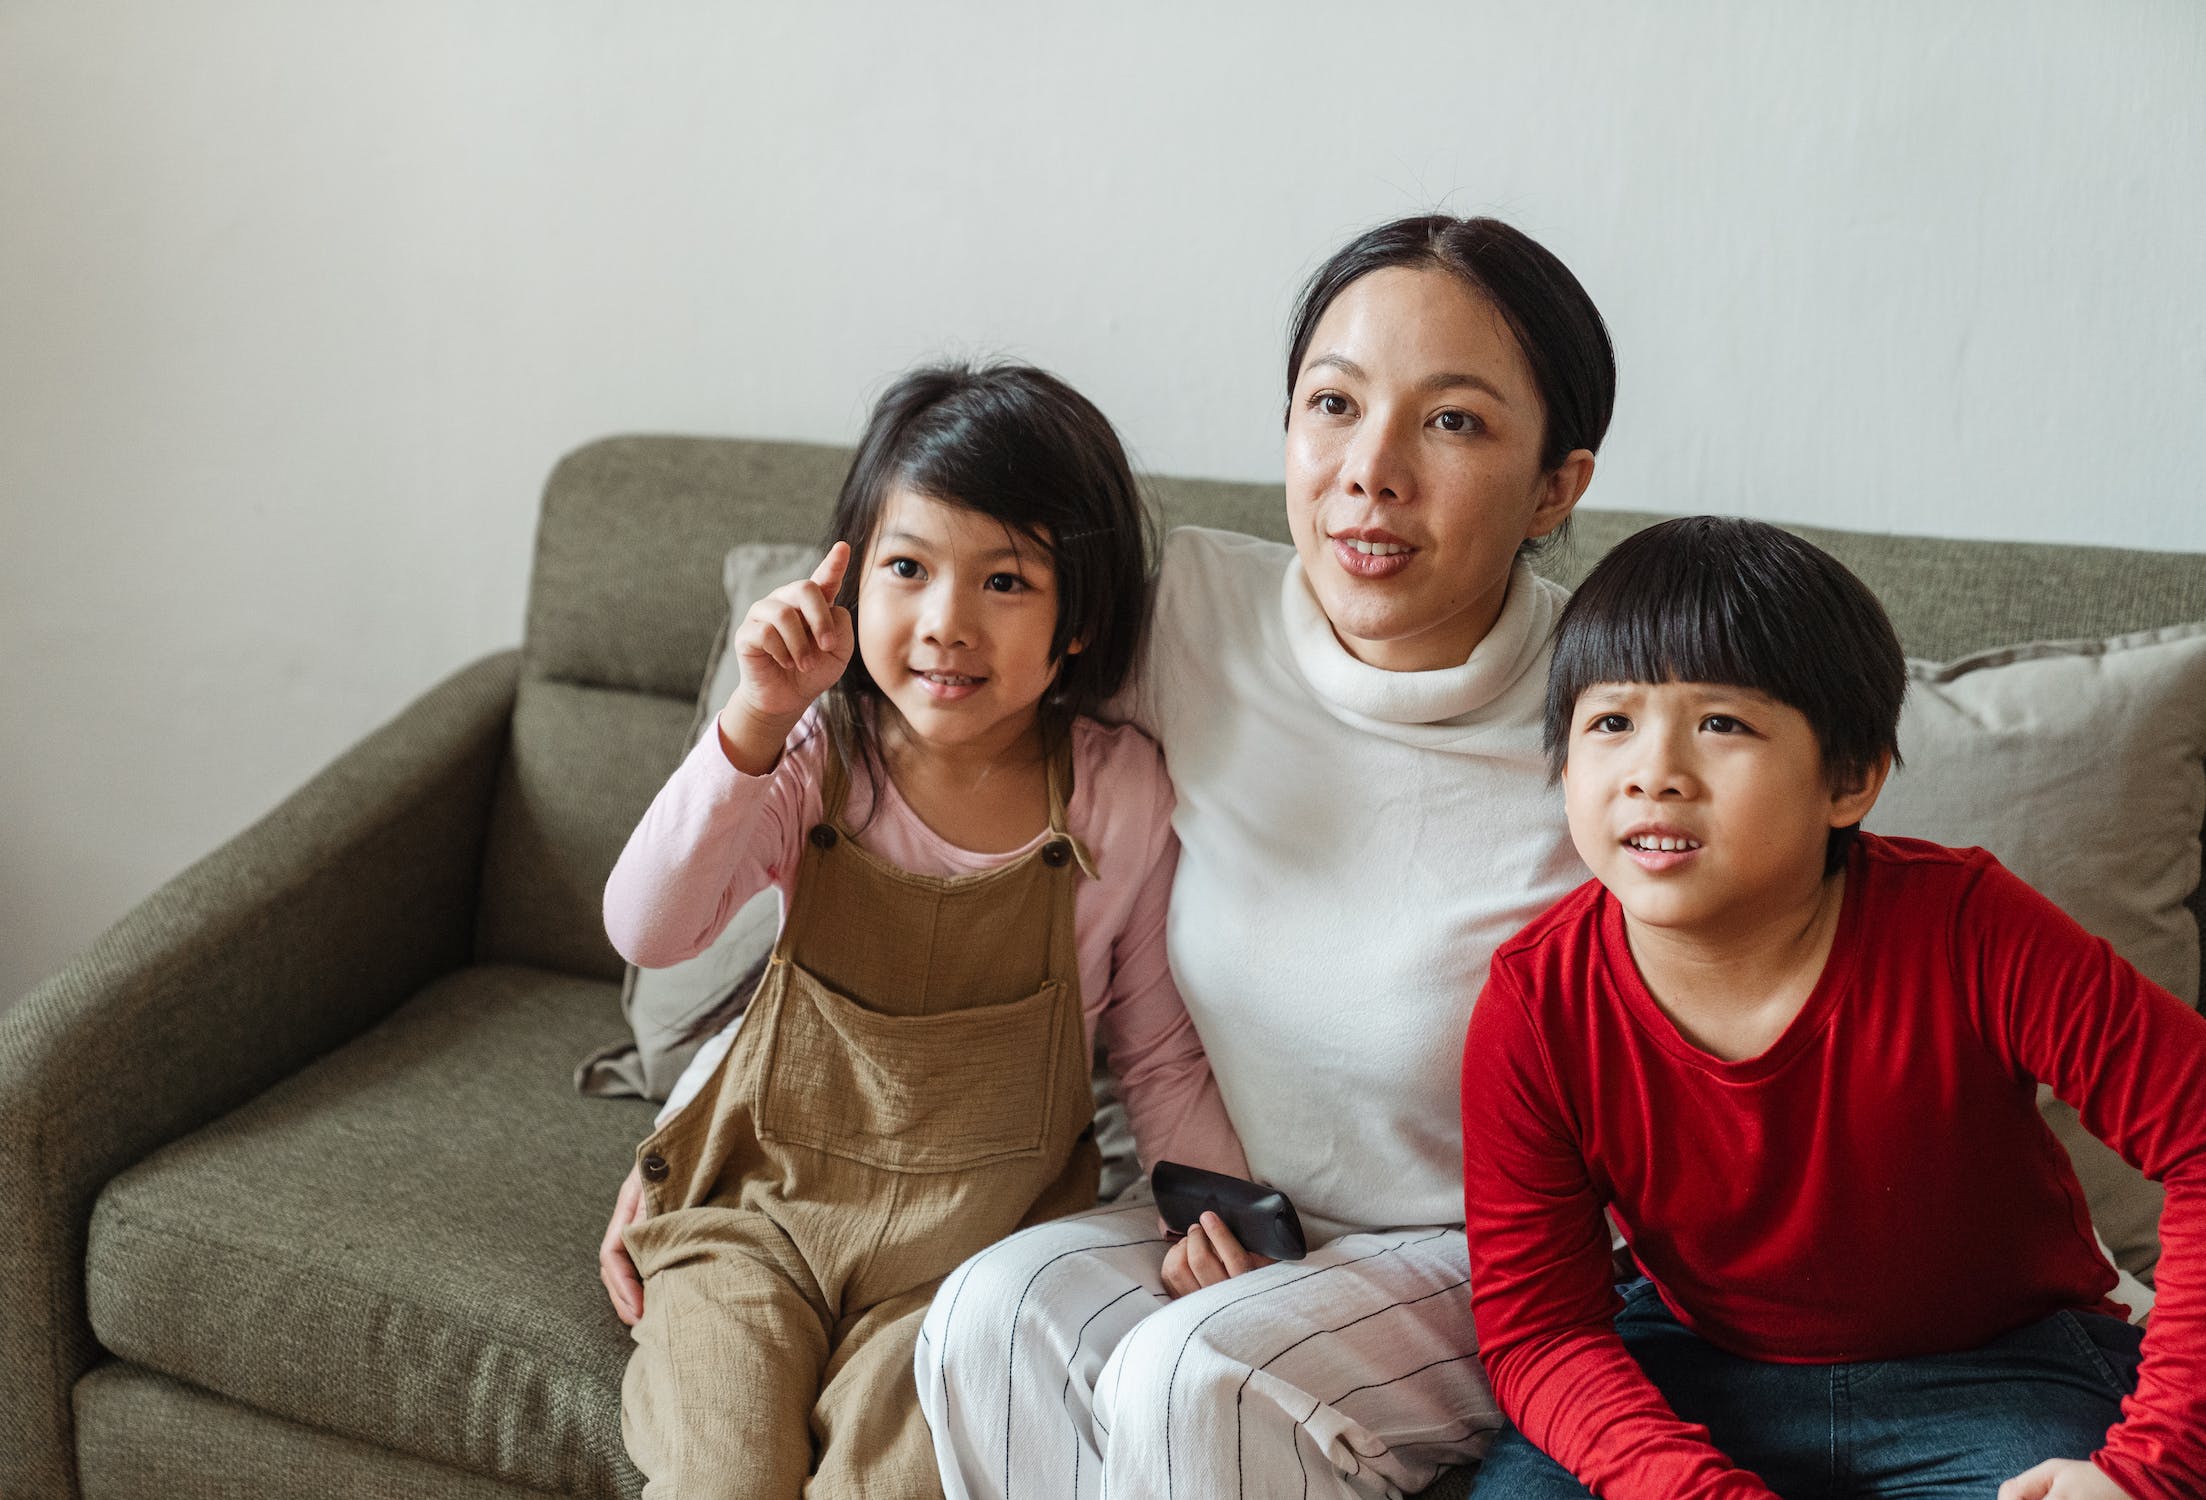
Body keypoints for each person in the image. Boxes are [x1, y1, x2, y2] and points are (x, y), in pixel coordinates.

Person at [918, 215, 1614, 1498]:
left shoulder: (1614, 709)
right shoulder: (1194, 611)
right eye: (1332, 404)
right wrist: (716, 1136)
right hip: (1230, 1210)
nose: (1370, 471)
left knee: (1197, 1379)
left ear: (1555, 487)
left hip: (1487, 1256)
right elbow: (914, 757)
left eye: (1451, 423)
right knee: (989, 1318)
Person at [595, 363, 1249, 1499]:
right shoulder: (815, 757)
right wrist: (753, 719)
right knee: (721, 1470)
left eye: (1005, 580)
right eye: (907, 568)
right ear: (851, 585)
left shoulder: (1119, 796)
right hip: (758, 1219)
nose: (947, 623)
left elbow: (1153, 1049)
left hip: (967, 1256)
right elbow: (650, 927)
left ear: (1080, 617)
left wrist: (1224, 1218)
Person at [1460, 516, 2206, 1500]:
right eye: (1611, 723)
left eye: (1720, 723)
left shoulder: (1970, 928)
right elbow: (1541, 1330)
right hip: (1697, 1361)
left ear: (1847, 780)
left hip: (1996, 1363)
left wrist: (2151, 1466)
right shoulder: (1535, 1002)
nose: (1653, 771)